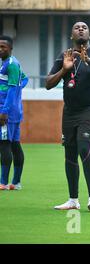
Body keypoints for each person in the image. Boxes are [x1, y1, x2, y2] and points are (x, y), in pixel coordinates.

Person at [46, 22, 90, 211]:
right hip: (70, 111)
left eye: (84, 27)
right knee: (70, 152)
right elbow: (48, 83)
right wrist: (64, 70)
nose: (81, 29)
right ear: (71, 35)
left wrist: (89, 61)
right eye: (77, 27)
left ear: (89, 35)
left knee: (84, 147)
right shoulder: (64, 56)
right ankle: (73, 200)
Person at [0, 36, 28, 191]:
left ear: (10, 49)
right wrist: (17, 92)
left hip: (7, 113)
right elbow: (24, 79)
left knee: (4, 144)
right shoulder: (10, 63)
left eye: (3, 47)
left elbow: (11, 88)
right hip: (15, 111)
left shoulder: (11, 64)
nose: (0, 49)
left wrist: (4, 111)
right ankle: (15, 183)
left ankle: (3, 183)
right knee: (15, 145)